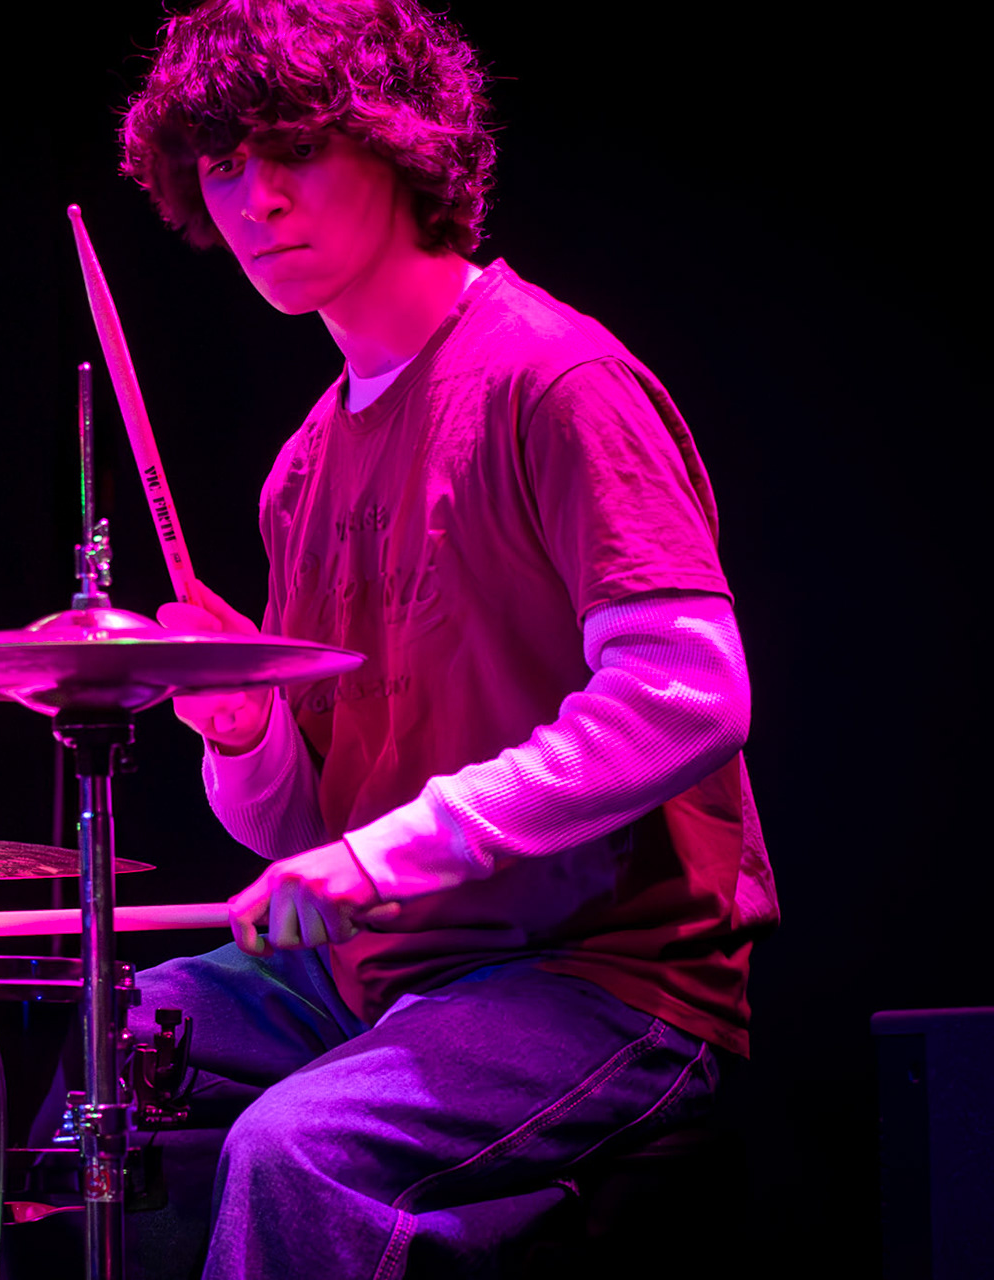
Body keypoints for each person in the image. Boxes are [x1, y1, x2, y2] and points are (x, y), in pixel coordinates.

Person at [111, 1, 780, 1276]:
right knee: (104, 1053)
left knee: (297, 1147)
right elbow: (308, 830)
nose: (257, 198)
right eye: (224, 165)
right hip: (379, 972)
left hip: (599, 975)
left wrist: (382, 855)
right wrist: (246, 733)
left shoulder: (553, 378)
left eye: (292, 147)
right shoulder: (302, 468)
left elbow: (688, 690)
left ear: (399, 144)